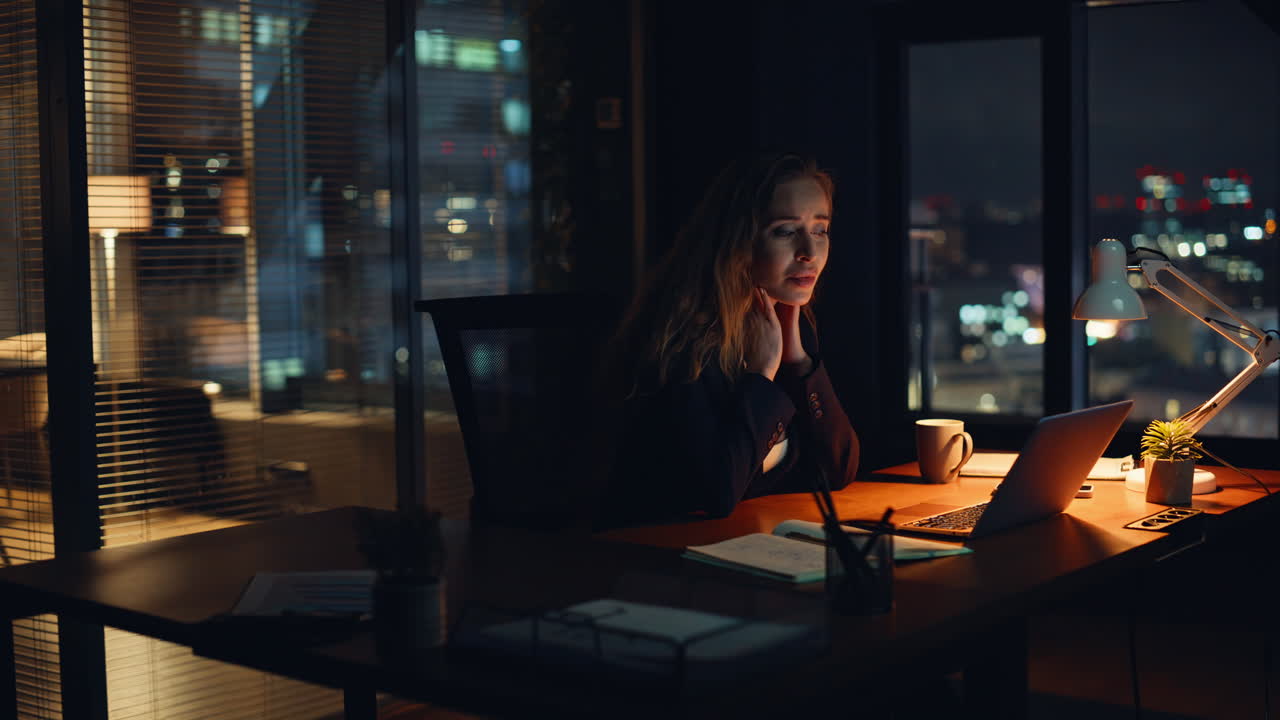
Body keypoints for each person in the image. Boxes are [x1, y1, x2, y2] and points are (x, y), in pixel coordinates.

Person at [597, 152, 860, 527]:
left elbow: (839, 469)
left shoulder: (784, 324)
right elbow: (715, 492)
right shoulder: (682, 340)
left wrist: (798, 361)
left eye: (820, 229)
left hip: (748, 545)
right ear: (740, 240)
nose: (810, 251)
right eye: (786, 231)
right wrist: (762, 375)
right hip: (657, 557)